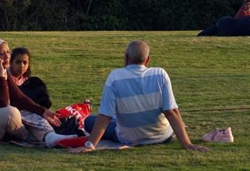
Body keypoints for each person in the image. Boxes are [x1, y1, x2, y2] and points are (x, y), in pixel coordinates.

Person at [73, 40, 208, 152]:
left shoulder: (115, 77)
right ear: (147, 60)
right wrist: (188, 144)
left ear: (126, 58)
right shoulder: (160, 75)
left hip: (128, 138)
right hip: (162, 136)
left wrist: (90, 145)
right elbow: (171, 112)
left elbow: (104, 118)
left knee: (89, 120)